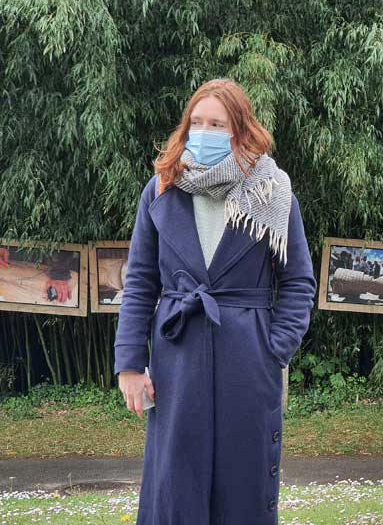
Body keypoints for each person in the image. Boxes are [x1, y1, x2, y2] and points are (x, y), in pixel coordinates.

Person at [114, 78, 317, 524]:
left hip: (248, 358)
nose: (204, 132)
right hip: (178, 358)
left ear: (240, 130)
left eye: (217, 124)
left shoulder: (273, 193)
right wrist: (129, 364)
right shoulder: (161, 190)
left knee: (242, 486)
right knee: (175, 487)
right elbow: (142, 282)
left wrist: (272, 349)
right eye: (197, 122)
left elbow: (299, 281)